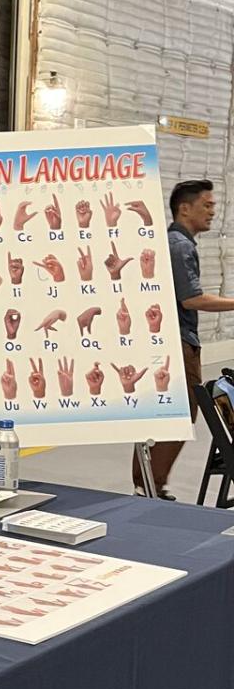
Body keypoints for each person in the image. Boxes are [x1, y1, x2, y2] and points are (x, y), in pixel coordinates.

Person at [134, 177, 234, 497]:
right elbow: (191, 299)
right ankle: (151, 485)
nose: (212, 212)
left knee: (171, 412)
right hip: (177, 341)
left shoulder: (178, 243)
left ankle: (148, 484)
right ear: (184, 208)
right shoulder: (178, 245)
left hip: (175, 338)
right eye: (207, 205)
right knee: (181, 412)